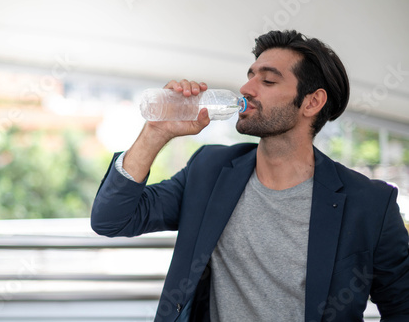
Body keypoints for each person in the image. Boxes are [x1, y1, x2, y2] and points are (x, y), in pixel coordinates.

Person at [91, 30, 409, 321]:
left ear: (312, 102)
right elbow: (111, 219)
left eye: (268, 81)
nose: (246, 88)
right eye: (250, 75)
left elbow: (402, 306)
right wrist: (155, 133)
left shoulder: (370, 205)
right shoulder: (209, 169)